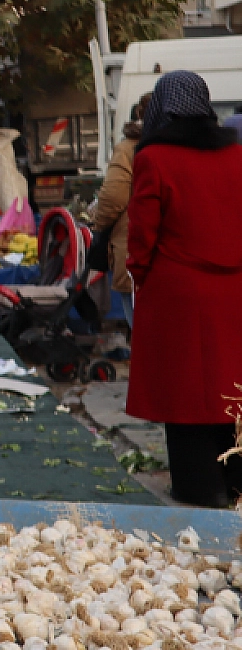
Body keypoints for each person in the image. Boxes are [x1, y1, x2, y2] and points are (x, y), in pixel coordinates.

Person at [124, 71, 242, 507]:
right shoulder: (236, 155)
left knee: (187, 393)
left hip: (179, 290)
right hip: (235, 289)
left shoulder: (154, 158)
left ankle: (200, 485)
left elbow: (142, 235)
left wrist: (140, 275)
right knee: (233, 389)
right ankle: (236, 480)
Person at [91, 95, 149, 328]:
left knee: (142, 329)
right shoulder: (189, 147)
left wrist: (99, 224)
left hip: (133, 250)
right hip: (179, 258)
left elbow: (113, 197)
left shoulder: (129, 149)